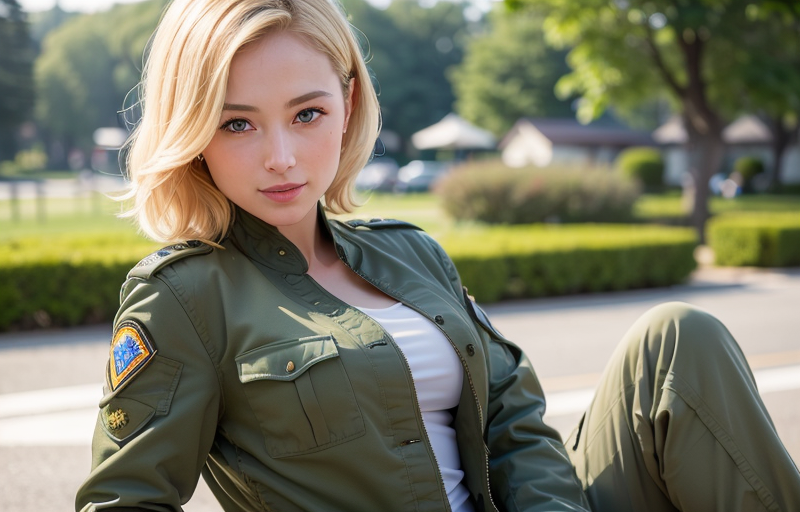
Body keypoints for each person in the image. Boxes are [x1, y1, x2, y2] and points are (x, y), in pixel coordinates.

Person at [76, 0, 800, 510]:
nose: (282, 156)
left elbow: (514, 420)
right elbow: (122, 502)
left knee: (677, 339)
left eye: (307, 113)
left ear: (348, 104)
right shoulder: (185, 295)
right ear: (194, 129)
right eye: (238, 123)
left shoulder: (411, 254)